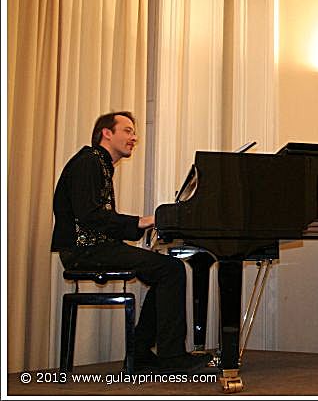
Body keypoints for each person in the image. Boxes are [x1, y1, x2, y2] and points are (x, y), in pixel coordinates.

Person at [51, 111, 211, 374]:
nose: (134, 137)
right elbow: (89, 215)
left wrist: (139, 226)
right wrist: (141, 222)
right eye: (127, 131)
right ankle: (171, 357)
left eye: (134, 132)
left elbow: (99, 218)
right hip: (84, 250)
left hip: (95, 246)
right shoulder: (89, 161)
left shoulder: (100, 164)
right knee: (170, 269)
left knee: (164, 271)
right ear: (107, 133)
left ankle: (141, 351)